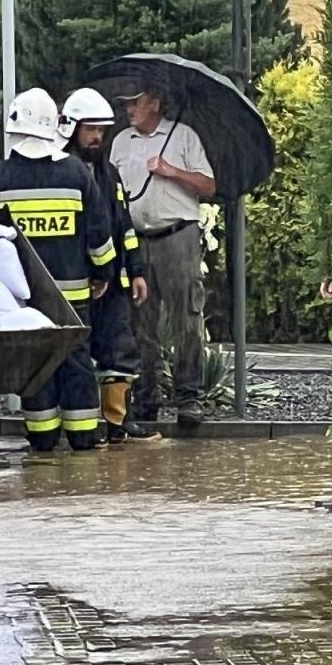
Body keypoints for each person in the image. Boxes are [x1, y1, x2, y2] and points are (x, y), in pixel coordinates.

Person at [0, 88, 116, 453]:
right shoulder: (76, 173)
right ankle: (83, 436)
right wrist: (103, 274)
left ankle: (42, 437)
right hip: (73, 298)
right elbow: (99, 233)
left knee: (35, 364)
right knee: (76, 361)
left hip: (23, 300)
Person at [109, 86, 216, 428]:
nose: (129, 109)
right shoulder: (121, 142)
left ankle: (189, 397)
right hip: (136, 240)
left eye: (136, 102)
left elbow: (209, 186)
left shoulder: (183, 136)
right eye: (126, 103)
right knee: (141, 323)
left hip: (177, 238)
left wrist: (172, 171)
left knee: (186, 318)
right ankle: (146, 399)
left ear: (154, 103)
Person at [58, 89, 160, 444]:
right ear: (71, 128)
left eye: (101, 130)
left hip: (113, 282)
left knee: (119, 350)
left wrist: (137, 271)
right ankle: (84, 424)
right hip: (76, 281)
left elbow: (123, 226)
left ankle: (118, 422)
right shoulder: (61, 173)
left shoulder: (109, 174)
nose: (97, 137)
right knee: (79, 353)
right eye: (90, 129)